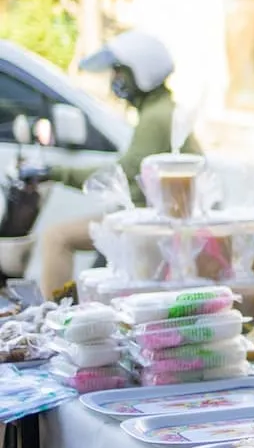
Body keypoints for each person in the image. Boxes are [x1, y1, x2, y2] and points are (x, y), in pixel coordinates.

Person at [37, 30, 202, 294]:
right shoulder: (159, 111)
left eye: (120, 72)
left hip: (148, 221)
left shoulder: (156, 117)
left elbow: (124, 174)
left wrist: (56, 172)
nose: (115, 80)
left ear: (142, 71)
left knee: (57, 237)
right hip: (150, 216)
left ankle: (52, 314)